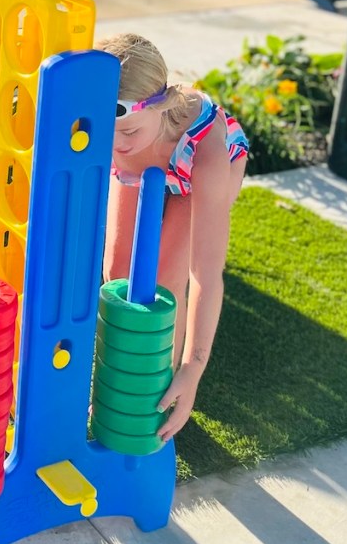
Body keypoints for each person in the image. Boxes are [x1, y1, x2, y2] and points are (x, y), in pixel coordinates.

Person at [98, 33, 249, 442]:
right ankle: (114, 371)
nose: (117, 145)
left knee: (165, 282)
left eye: (127, 132)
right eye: (110, 133)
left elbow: (205, 274)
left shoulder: (209, 156)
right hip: (156, 149)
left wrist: (192, 369)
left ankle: (155, 392)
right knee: (117, 268)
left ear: (159, 106)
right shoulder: (117, 132)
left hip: (190, 160)